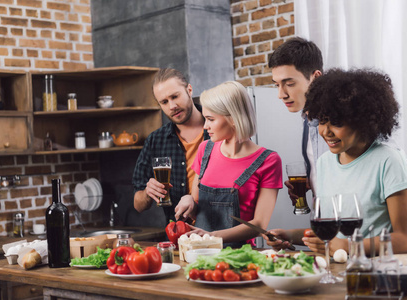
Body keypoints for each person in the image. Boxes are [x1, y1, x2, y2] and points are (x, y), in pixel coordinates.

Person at [265, 68, 407, 256]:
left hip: (377, 274)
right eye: (322, 121)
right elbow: (333, 234)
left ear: (363, 120)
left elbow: (406, 239)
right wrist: (290, 235)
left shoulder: (389, 161)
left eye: (336, 123)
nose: (326, 132)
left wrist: (348, 247)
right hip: (337, 271)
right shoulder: (325, 162)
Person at [175, 81, 283, 247]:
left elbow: (259, 224)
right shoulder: (205, 150)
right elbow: (198, 207)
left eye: (210, 119)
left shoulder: (269, 160)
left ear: (233, 118)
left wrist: (212, 236)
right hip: (201, 252)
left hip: (240, 256)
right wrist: (188, 199)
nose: (205, 126)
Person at [132, 68, 209, 222]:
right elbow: (138, 204)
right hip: (177, 235)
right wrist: (148, 192)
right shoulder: (156, 140)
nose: (172, 106)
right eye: (164, 102)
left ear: (189, 90)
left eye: (175, 96)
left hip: (218, 233)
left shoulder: (218, 130)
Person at [269, 37, 328, 201]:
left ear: (315, 77)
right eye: (277, 85)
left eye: (289, 83)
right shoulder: (307, 122)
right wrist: (312, 182)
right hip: (322, 222)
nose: (281, 95)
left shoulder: (340, 127)